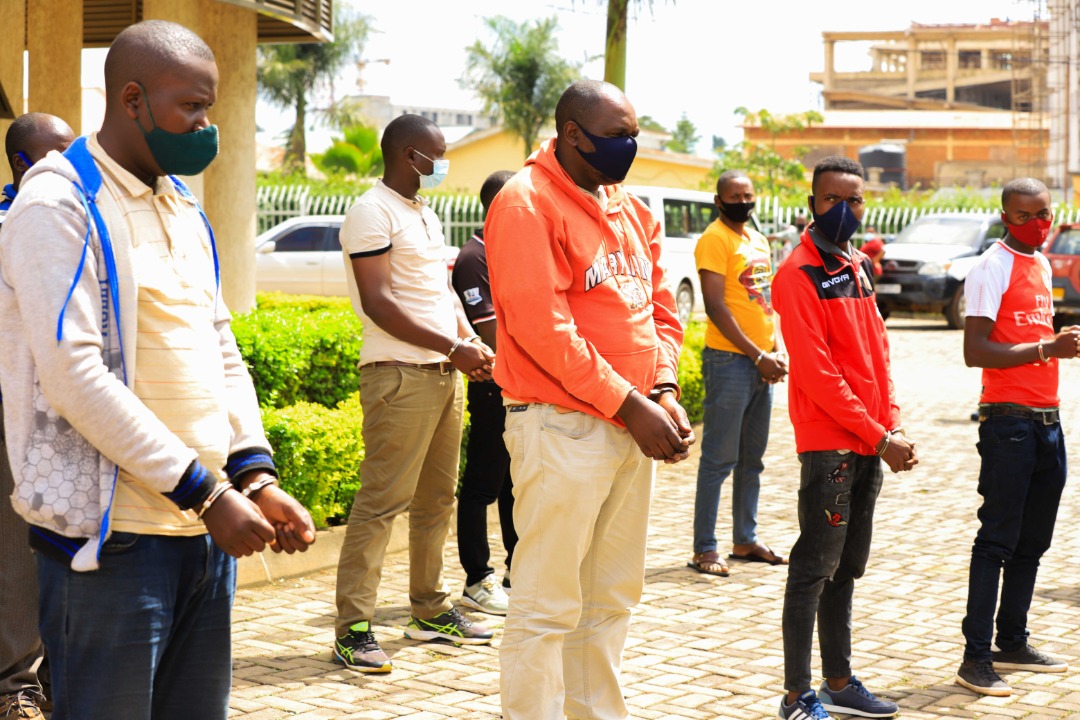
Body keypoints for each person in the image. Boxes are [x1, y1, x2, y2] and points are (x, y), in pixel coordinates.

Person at [0, 20, 315, 720]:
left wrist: (254, 476)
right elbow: (74, 373)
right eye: (191, 107)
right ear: (133, 100)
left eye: (210, 107)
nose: (207, 125)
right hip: (110, 547)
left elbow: (219, 346)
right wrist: (206, 492)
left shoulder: (182, 204)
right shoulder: (59, 204)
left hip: (201, 540)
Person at [485, 79, 693, 720]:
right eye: (616, 135)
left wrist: (663, 388)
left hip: (630, 423)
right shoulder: (527, 203)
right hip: (562, 427)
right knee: (546, 603)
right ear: (572, 133)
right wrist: (630, 403)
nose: (629, 146)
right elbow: (543, 329)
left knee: (609, 598)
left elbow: (659, 311)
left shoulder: (629, 208)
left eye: (634, 134)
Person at [332, 113, 495, 674]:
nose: (442, 162)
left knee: (436, 501)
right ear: (409, 155)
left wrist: (470, 342)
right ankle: (353, 629)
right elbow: (378, 302)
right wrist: (453, 348)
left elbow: (441, 293)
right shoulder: (371, 211)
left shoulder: (424, 213)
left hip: (443, 376)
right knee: (381, 504)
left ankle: (429, 609)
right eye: (437, 153)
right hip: (398, 375)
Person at [772, 156, 918, 720]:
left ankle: (838, 681)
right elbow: (817, 373)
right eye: (833, 199)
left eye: (853, 200)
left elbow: (878, 353)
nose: (844, 209)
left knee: (846, 568)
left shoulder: (858, 264)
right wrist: (880, 437)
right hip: (830, 445)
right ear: (812, 203)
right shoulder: (797, 274)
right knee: (813, 569)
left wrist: (891, 422)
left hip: (868, 440)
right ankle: (796, 696)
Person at [954, 177, 1080, 697]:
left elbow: (1029, 334)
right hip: (1008, 422)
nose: (1037, 223)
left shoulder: (1042, 263)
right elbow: (976, 351)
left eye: (1044, 214)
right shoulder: (991, 266)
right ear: (1006, 217)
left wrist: (1054, 342)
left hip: (1048, 420)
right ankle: (975, 659)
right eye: (1024, 215)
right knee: (996, 542)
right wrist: (1048, 349)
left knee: (1034, 541)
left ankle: (1012, 641)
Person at [0, 112, 74, 720]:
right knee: (15, 555)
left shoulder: (74, 220)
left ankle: (58, 673)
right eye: (58, 152)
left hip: (70, 410)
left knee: (60, 544)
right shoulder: (5, 224)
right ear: (22, 163)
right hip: (11, 410)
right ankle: (16, 684)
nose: (71, 163)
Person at [689, 169, 787, 578]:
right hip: (730, 361)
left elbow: (765, 300)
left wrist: (776, 349)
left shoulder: (758, 239)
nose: (743, 202)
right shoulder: (715, 239)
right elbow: (715, 305)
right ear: (719, 201)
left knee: (752, 460)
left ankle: (745, 539)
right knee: (718, 459)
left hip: (761, 362)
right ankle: (705, 548)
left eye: (748, 196)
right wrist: (756, 354)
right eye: (735, 197)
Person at [450, 169, 518, 615]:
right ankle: (477, 577)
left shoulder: (511, 250)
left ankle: (518, 569)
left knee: (514, 484)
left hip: (519, 387)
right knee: (482, 484)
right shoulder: (475, 257)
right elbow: (490, 332)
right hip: (493, 386)